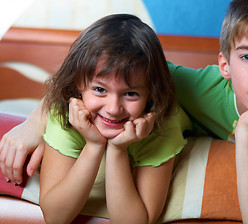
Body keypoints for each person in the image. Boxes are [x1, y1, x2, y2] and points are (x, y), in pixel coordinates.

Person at [0, 0, 248, 224]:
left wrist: (246, 133)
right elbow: (86, 81)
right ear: (224, 66)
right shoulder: (187, 87)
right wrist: (34, 122)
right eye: (247, 57)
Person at [1, 14, 191, 224]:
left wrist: (117, 150)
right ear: (77, 85)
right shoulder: (66, 112)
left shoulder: (163, 123)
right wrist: (93, 145)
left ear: (151, 95)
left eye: (131, 94)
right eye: (100, 89)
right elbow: (55, 217)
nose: (113, 109)